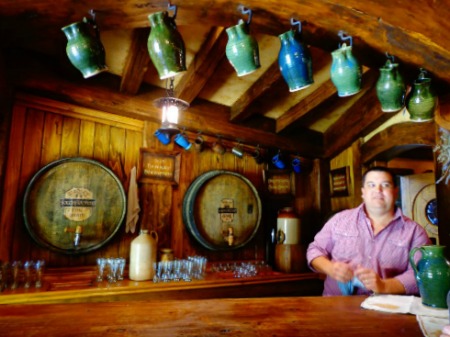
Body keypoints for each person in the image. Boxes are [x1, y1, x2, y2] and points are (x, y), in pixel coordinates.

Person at [307, 166, 431, 296]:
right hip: (334, 307)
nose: (378, 190)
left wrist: (383, 285)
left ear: (395, 192)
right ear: (363, 192)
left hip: (388, 310)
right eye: (371, 185)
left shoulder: (415, 233)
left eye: (385, 185)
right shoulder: (339, 220)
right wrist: (330, 268)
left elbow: (422, 274)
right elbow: (315, 249)